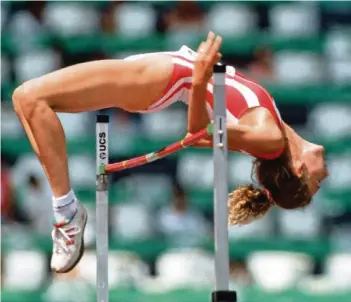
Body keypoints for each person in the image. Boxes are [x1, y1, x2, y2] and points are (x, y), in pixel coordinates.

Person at [12, 32, 328, 273]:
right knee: (23, 98)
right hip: (165, 71)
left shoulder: (271, 138)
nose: (325, 174)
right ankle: (65, 208)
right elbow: (206, 140)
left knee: (33, 98)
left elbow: (199, 132)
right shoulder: (272, 130)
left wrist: (202, 76)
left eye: (317, 182)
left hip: (162, 79)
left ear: (299, 169)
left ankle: (66, 213)